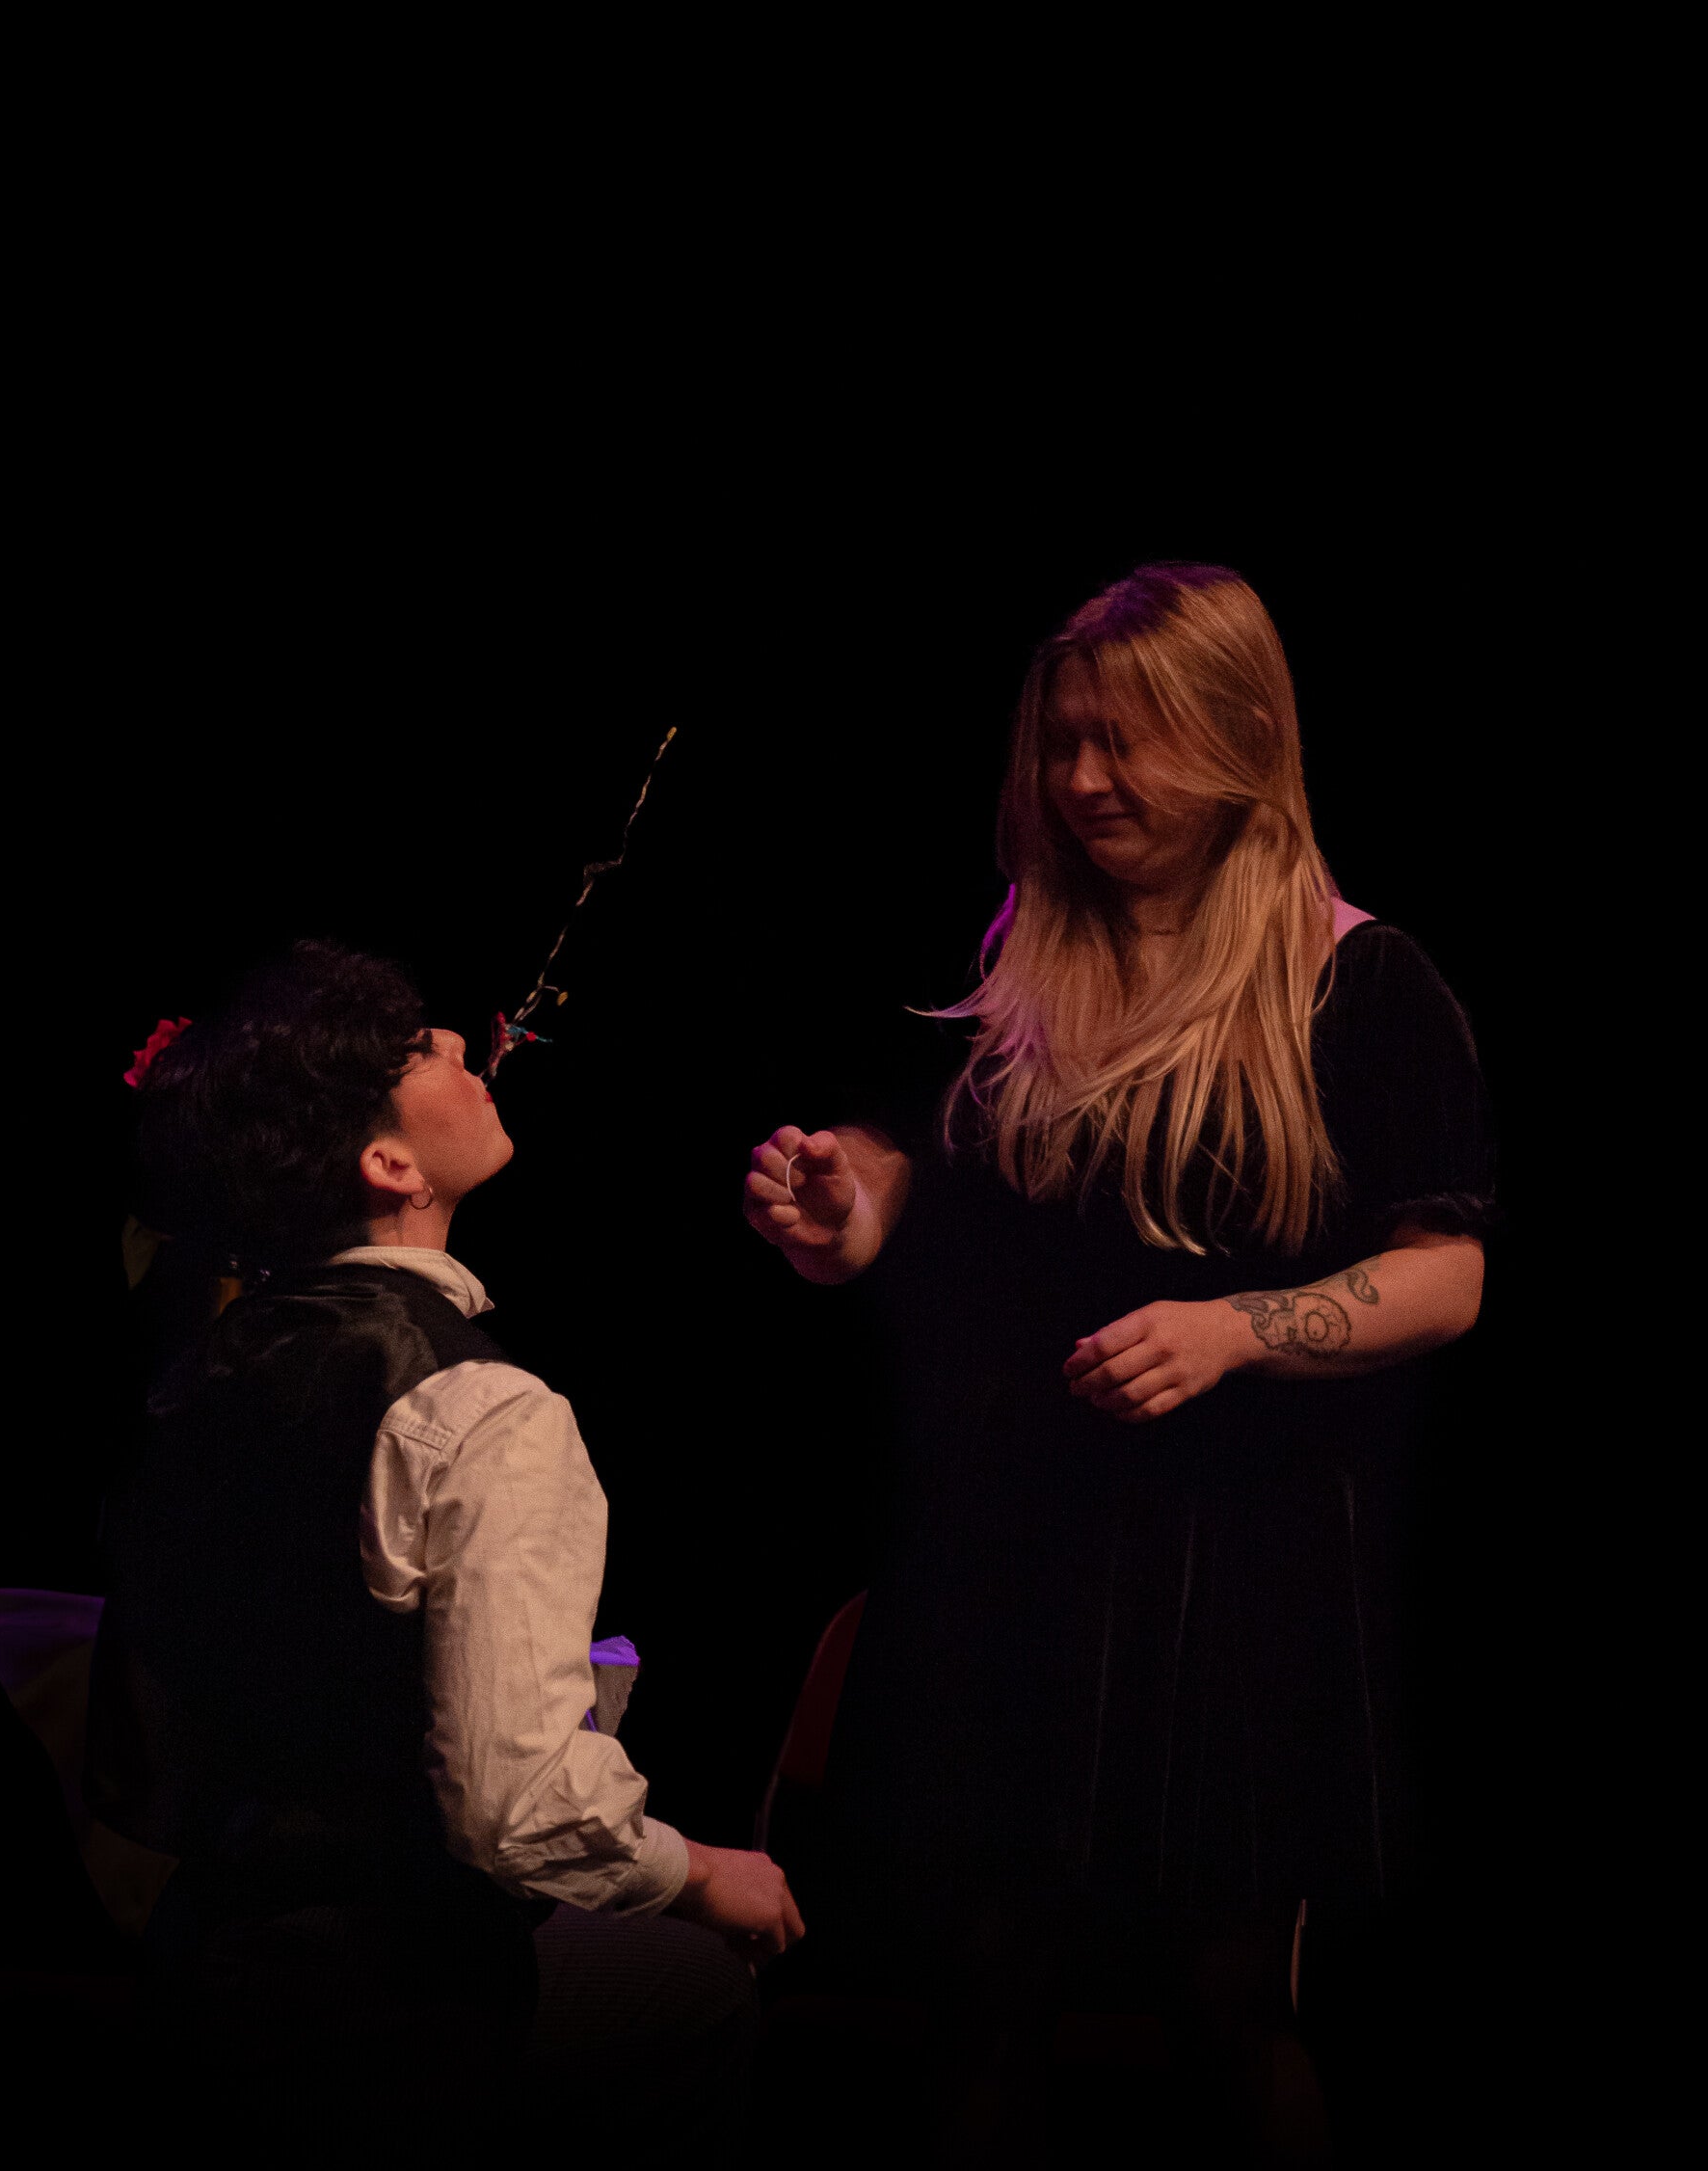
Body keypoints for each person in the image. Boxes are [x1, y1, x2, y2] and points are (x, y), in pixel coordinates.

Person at [744, 564, 1493, 2160]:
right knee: (978, 1987)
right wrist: (843, 1207)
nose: (1083, 779)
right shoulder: (1020, 947)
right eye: (1062, 741)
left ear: (1237, 734)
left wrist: (1234, 1328)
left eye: (1123, 742)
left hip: (1237, 1570)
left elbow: (1446, 1273)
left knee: (1227, 2003)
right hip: (1010, 1547)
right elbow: (915, 1170)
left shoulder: (1360, 981)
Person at [90, 940, 801, 2155]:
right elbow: (518, 1811)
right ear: (389, 1164)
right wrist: (698, 1873)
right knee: (700, 1991)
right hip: (376, 2014)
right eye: (421, 1048)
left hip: (200, 1964)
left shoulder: (203, 1373)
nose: (467, 1043)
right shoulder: (482, 1412)